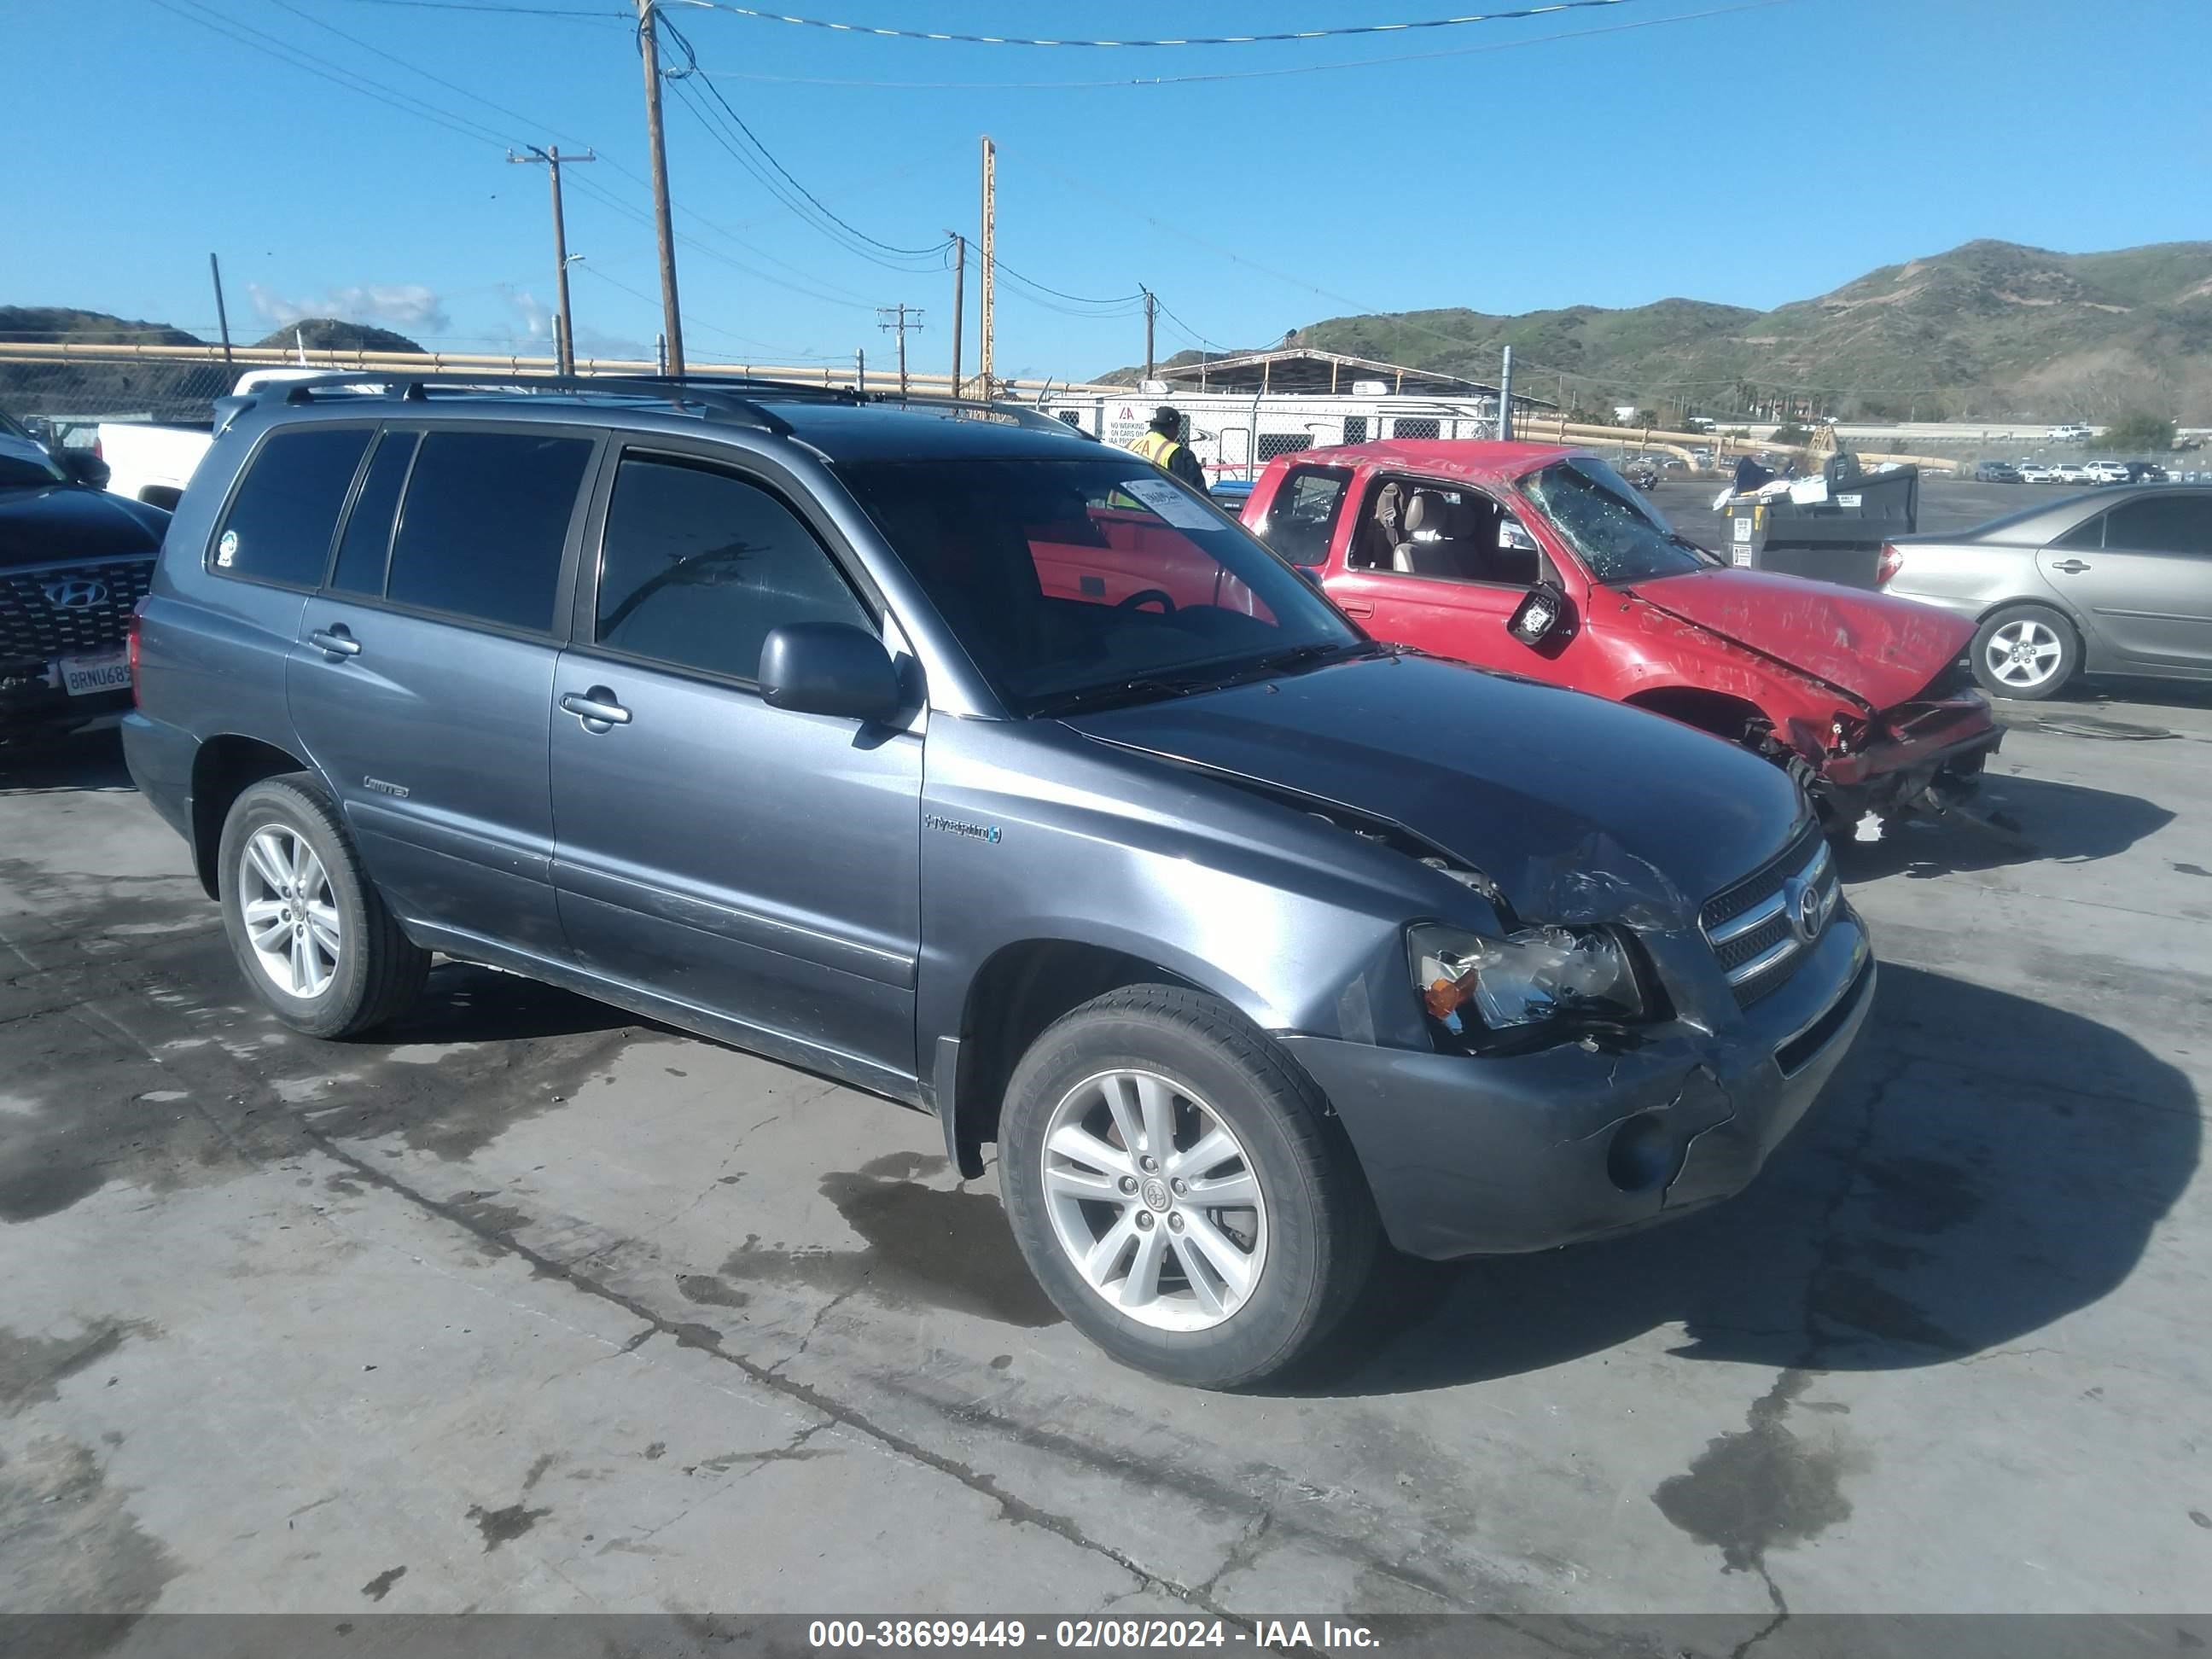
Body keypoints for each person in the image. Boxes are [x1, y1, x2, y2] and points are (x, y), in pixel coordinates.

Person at [1128, 405, 1206, 490]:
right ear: (1173, 428)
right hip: (1156, 501)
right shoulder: (1177, 453)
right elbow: (1197, 492)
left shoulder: (1130, 445)